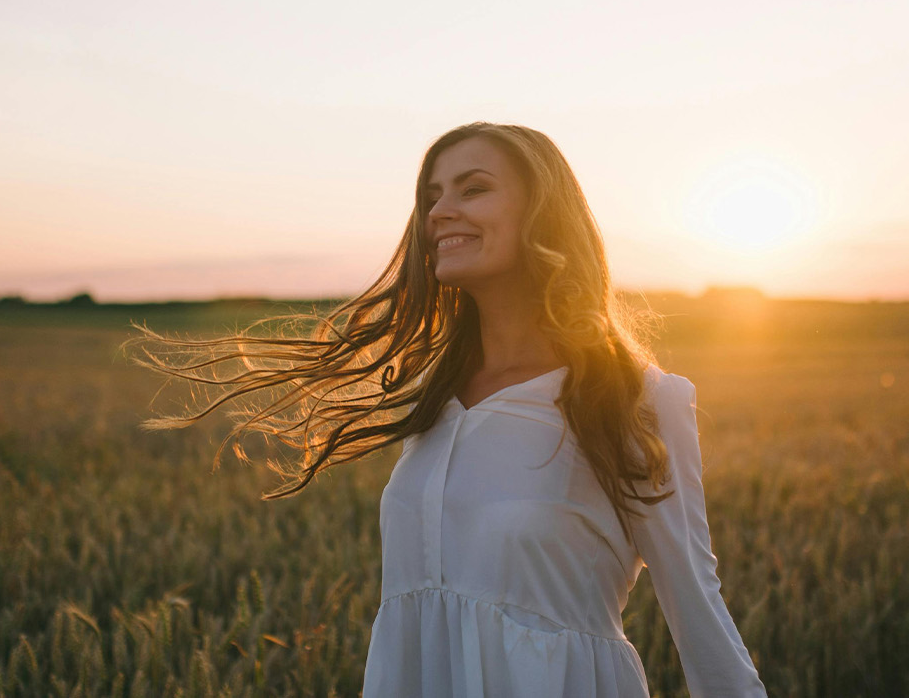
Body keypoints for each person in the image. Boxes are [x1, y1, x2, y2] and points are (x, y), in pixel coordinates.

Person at [126, 122, 767, 697]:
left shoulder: (636, 399)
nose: (439, 211)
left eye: (473, 189)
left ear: (544, 215)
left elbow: (696, 604)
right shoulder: (434, 397)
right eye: (432, 195)